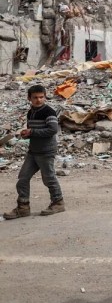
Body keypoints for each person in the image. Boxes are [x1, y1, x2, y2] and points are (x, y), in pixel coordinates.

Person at [3, 85, 64, 219]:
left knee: (49, 179)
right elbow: (33, 130)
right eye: (35, 97)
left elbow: (52, 130)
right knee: (22, 179)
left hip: (46, 151)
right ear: (29, 98)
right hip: (33, 151)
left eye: (41, 97)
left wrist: (32, 132)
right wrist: (27, 134)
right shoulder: (31, 112)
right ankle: (23, 207)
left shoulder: (48, 112)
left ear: (45, 97)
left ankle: (58, 202)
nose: (39, 100)